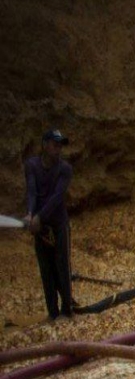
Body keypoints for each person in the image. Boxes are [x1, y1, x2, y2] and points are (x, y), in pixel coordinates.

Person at [24, 129, 74, 321]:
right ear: (45, 144)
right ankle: (52, 312)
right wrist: (30, 214)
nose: (58, 149)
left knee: (62, 266)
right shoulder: (32, 165)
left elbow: (57, 197)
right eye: (55, 144)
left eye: (60, 145)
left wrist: (39, 217)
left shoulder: (65, 169)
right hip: (41, 226)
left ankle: (67, 310)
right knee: (46, 269)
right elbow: (32, 191)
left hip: (59, 224)